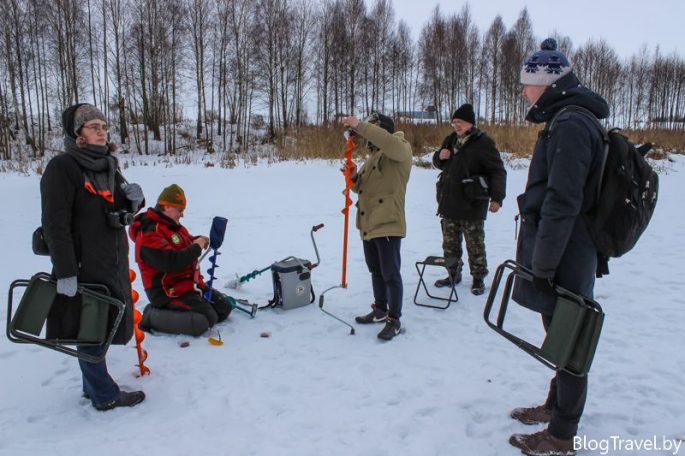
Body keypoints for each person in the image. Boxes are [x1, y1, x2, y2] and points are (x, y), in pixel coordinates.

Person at [507, 38, 610, 456]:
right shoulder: (570, 117)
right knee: (561, 336)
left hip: (567, 253)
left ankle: (561, 436)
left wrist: (543, 264)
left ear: (546, 83)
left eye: (527, 84)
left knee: (569, 345)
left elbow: (563, 202)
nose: (524, 92)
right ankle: (555, 407)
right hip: (569, 250)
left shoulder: (570, 123)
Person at [40, 103, 146, 411]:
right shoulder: (63, 167)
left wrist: (135, 201)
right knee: (91, 328)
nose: (101, 131)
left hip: (111, 260)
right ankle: (104, 394)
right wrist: (66, 271)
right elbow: (54, 224)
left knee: (103, 326)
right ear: (79, 135)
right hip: (83, 264)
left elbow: (121, 211)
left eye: (104, 126)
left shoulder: (109, 165)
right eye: (93, 126)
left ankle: (93, 387)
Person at [341, 112, 412, 341]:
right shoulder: (372, 158)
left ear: (383, 130)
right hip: (369, 223)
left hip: (388, 222)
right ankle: (380, 309)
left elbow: (386, 141)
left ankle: (394, 319)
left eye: (372, 129)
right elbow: (362, 188)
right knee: (376, 271)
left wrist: (359, 125)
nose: (366, 135)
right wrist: (353, 178)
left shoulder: (399, 148)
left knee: (391, 274)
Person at [129, 184, 232, 337]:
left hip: (187, 285)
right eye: (180, 210)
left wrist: (197, 239)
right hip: (166, 291)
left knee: (224, 308)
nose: (182, 215)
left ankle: (183, 311)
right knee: (205, 320)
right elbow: (172, 262)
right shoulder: (149, 233)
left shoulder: (173, 227)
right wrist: (197, 247)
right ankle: (151, 316)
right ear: (167, 207)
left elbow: (184, 242)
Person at [432, 103, 506, 295]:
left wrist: (497, 198)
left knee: (475, 244)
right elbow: (439, 163)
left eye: (460, 122)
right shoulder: (450, 139)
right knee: (450, 244)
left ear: (470, 124)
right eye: (454, 122)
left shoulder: (483, 143)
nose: (456, 126)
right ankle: (453, 274)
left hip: (472, 202)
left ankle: (478, 278)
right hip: (449, 202)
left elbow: (497, 170)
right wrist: (440, 156)